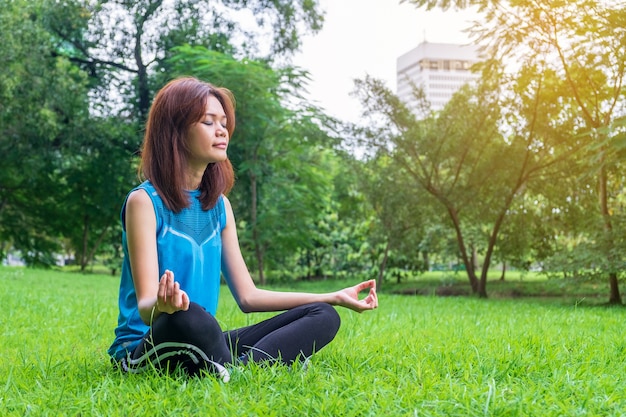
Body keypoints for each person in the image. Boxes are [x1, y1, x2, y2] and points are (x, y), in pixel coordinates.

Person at [107, 76, 378, 380]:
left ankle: (236, 369)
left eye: (223, 122)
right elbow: (145, 308)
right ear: (176, 131)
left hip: (205, 338)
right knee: (191, 316)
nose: (222, 130)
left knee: (322, 315)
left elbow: (248, 297)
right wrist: (164, 305)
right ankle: (255, 364)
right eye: (208, 122)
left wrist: (332, 296)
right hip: (148, 342)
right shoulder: (144, 202)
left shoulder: (219, 206)